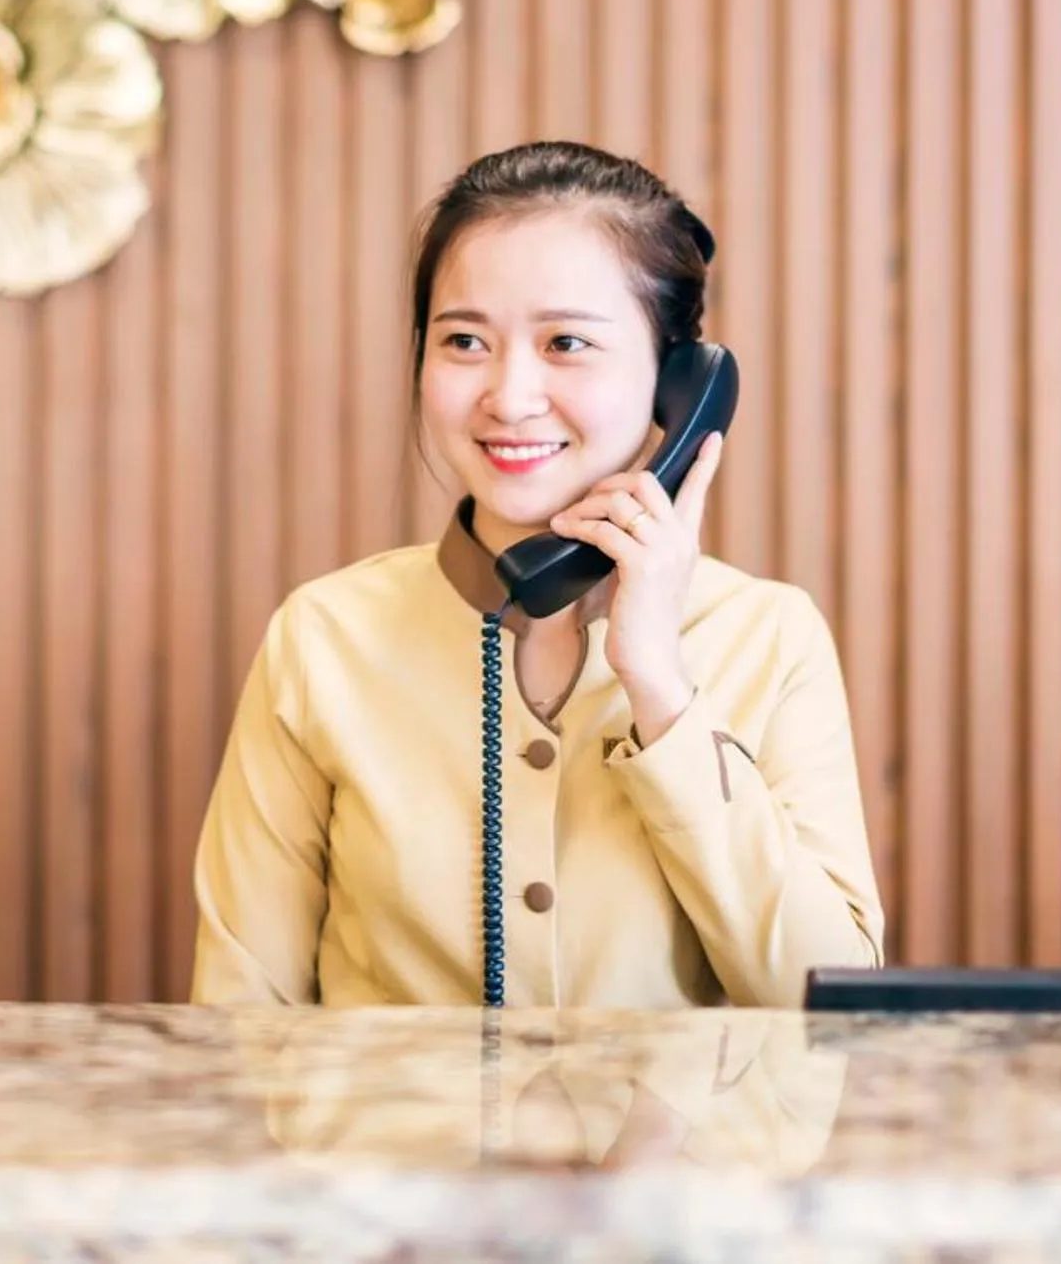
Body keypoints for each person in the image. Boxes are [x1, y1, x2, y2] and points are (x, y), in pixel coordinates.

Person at [189, 140, 885, 1009]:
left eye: (566, 342)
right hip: (377, 1149)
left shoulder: (770, 637)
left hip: (675, 1151)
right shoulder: (325, 635)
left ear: (679, 385)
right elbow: (240, 1019)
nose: (509, 395)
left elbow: (838, 1012)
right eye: (465, 340)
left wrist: (663, 690)